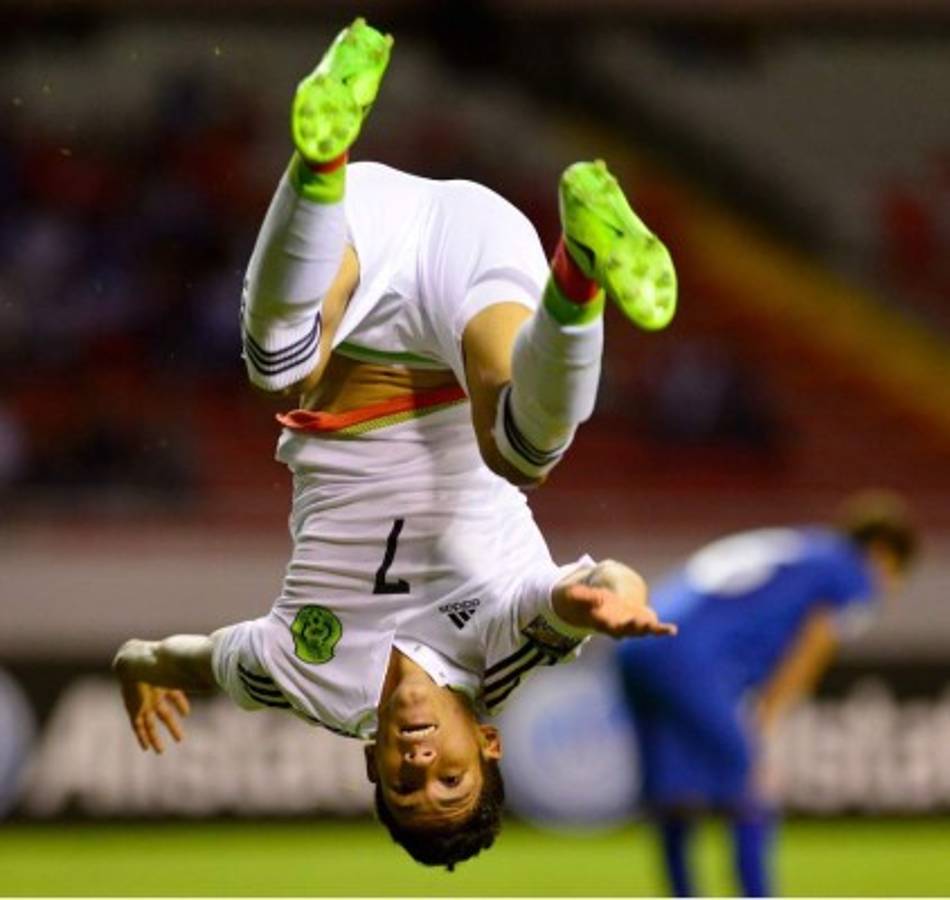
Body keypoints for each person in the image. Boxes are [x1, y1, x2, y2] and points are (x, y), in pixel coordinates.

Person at [113, 17, 678, 870]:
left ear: (370, 766)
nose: (421, 764)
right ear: (486, 742)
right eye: (449, 779)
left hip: (361, 246)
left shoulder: (304, 679)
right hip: (466, 278)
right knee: (520, 453)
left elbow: (185, 659)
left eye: (404, 785)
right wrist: (618, 597)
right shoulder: (505, 648)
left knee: (276, 365)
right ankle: (581, 271)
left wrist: (135, 660)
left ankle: (320, 157)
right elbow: (591, 589)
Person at [614, 492, 917, 897]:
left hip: (637, 643)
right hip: (688, 656)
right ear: (881, 552)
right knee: (750, 782)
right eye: (895, 572)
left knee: (675, 795)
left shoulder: (802, 549)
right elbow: (811, 648)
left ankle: (682, 892)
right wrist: (765, 725)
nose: (889, 586)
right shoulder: (848, 569)